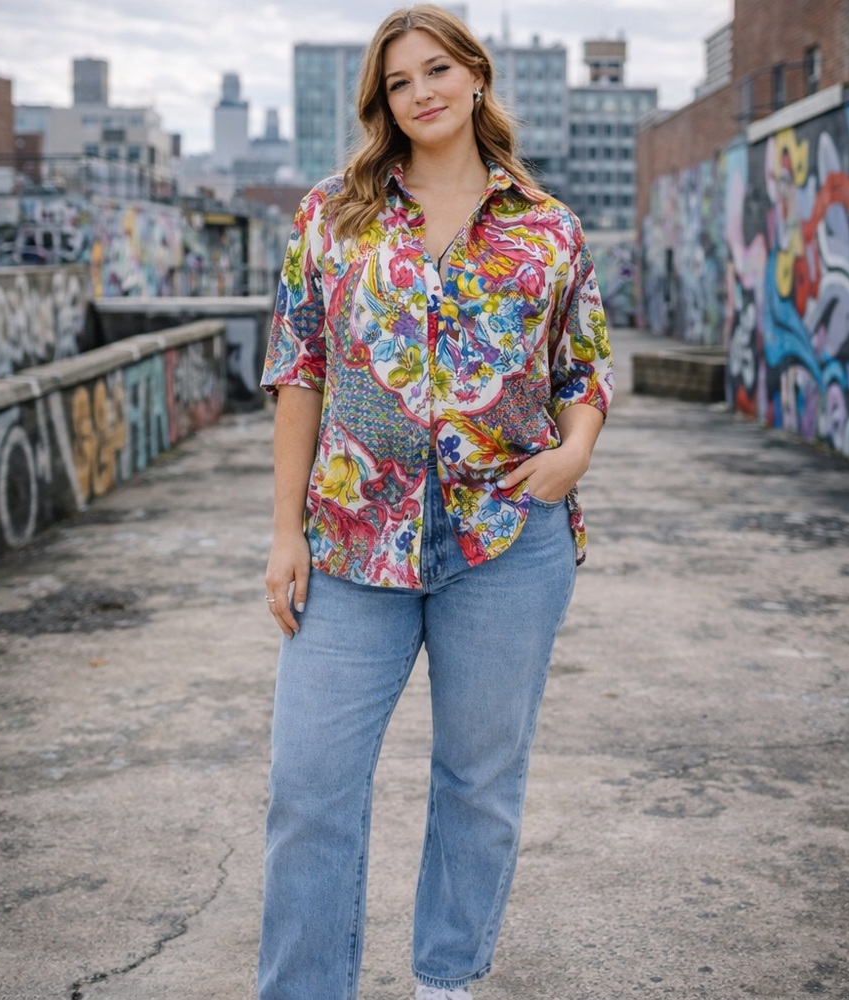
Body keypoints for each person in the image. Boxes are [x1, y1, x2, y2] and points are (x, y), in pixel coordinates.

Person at [258, 5, 614, 998]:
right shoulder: (333, 215)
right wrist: (284, 532)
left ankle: (445, 983)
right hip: (351, 544)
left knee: (477, 784)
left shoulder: (547, 229)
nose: (421, 92)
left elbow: (584, 368)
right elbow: (299, 369)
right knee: (309, 788)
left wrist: (572, 454)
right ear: (383, 101)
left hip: (505, 545)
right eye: (400, 81)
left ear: (475, 74)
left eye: (436, 69)